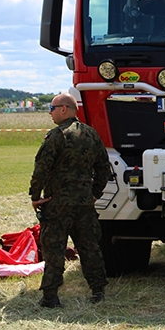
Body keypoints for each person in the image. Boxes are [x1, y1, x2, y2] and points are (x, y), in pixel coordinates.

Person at [30, 93, 111, 307]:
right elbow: (104, 167)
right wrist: (95, 193)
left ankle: (50, 296)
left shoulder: (57, 136)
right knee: (89, 246)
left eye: (52, 107)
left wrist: (35, 196)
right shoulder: (91, 134)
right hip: (84, 203)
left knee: (54, 248)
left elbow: (41, 168)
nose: (50, 112)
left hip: (58, 203)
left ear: (63, 109)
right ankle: (98, 290)